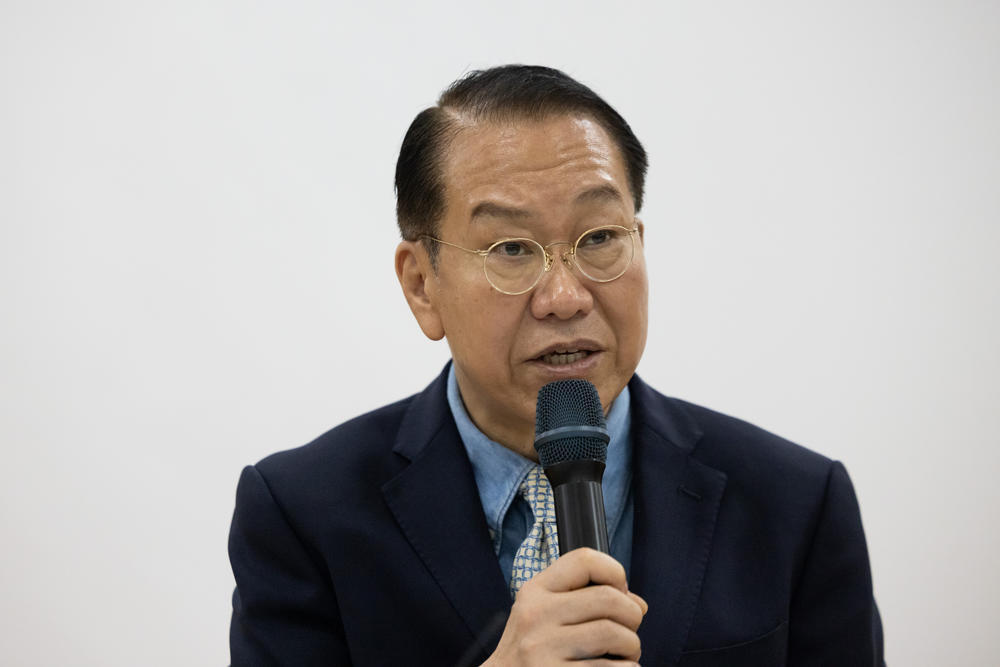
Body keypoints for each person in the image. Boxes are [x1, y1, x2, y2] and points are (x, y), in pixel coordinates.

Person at [228, 65, 884, 666]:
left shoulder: (796, 503)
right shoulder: (301, 514)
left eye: (600, 238)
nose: (566, 297)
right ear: (422, 284)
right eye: (512, 248)